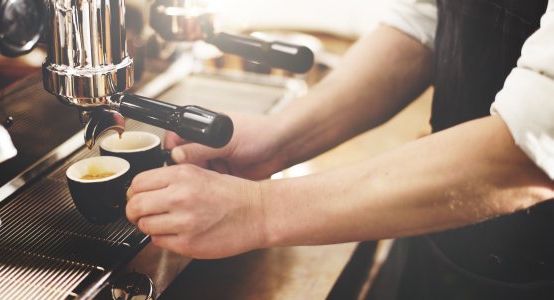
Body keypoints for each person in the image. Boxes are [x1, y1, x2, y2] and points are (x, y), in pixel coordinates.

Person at [126, 0, 554, 298]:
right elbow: (427, 20)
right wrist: (281, 138)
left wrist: (260, 211)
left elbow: (528, 145)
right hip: (441, 233)